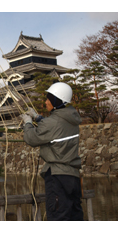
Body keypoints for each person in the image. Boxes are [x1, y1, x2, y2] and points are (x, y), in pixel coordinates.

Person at [21, 82, 83, 221]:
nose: (46, 102)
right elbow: (55, 128)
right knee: (75, 216)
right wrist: (38, 118)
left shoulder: (52, 123)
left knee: (57, 216)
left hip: (57, 176)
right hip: (73, 176)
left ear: (56, 101)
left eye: (49, 99)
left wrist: (28, 123)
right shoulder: (72, 119)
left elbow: (31, 138)